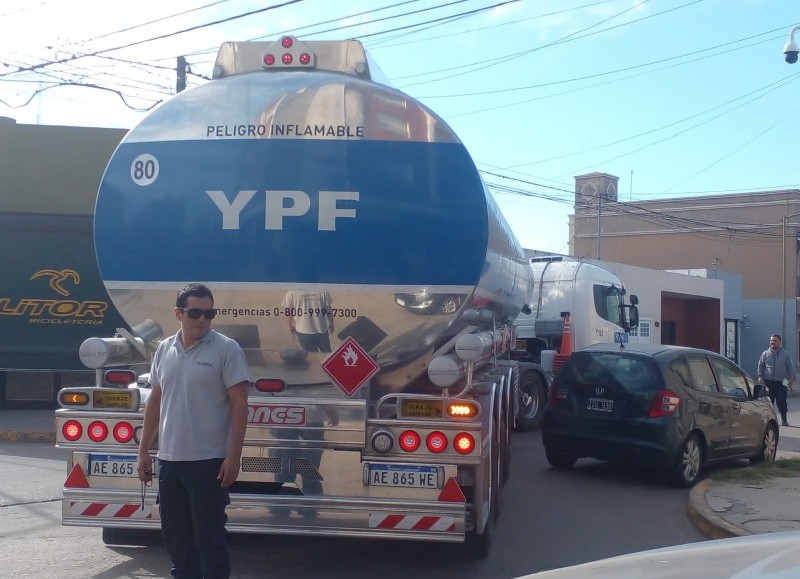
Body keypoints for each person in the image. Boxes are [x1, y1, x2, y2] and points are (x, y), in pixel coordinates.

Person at [136, 283, 249, 579]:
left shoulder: (226, 349)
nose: (202, 319)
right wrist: (144, 451)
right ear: (178, 313)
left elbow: (240, 405)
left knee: (209, 541)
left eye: (208, 312)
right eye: (195, 312)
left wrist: (233, 457)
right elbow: (155, 401)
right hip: (171, 462)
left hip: (209, 463)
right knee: (177, 542)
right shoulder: (164, 349)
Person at [757, 333, 795, 427]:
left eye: (774, 341)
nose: (772, 342)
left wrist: (791, 379)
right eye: (771, 341)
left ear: (779, 342)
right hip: (768, 381)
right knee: (769, 403)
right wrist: (760, 376)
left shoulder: (785, 354)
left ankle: (784, 419)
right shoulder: (765, 354)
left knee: (781, 402)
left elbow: (790, 367)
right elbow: (761, 365)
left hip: (782, 382)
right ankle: (770, 421)